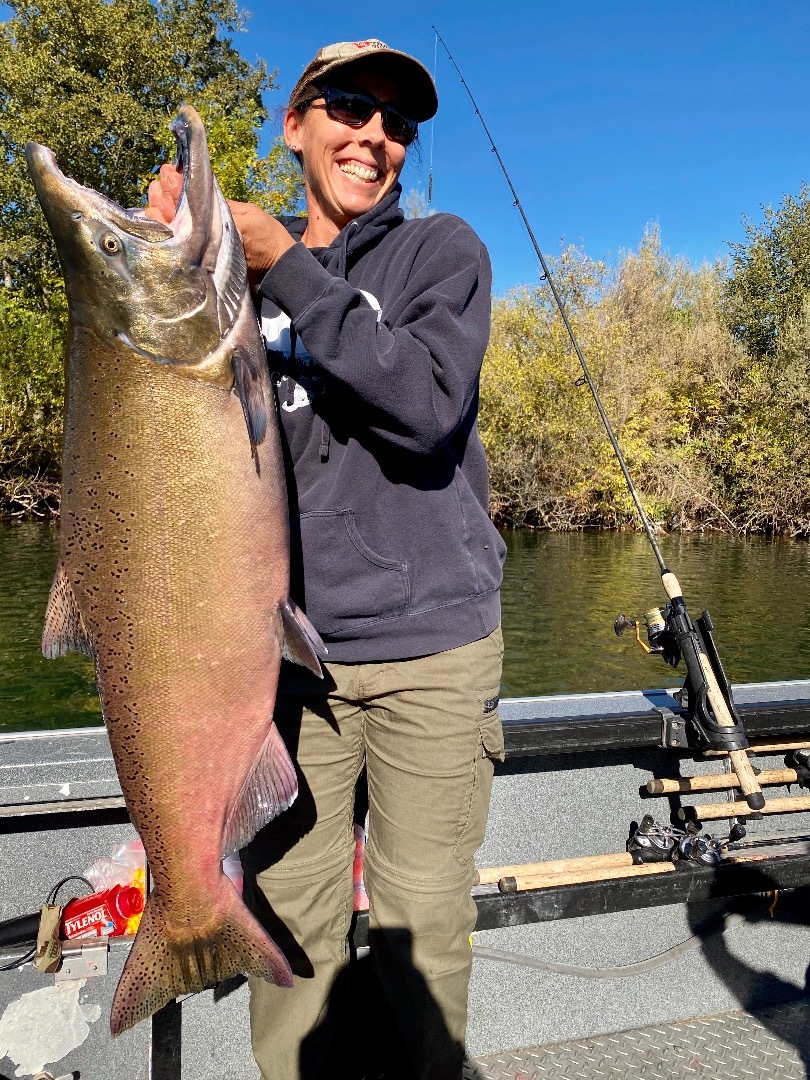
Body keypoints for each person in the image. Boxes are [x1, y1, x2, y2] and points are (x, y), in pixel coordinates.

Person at [150, 37, 506, 1080]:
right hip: (286, 671)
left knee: (419, 936)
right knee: (291, 936)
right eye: (350, 106)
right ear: (296, 124)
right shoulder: (235, 284)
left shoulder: (441, 252)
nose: (375, 137)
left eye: (398, 123)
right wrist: (174, 254)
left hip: (432, 654)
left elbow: (429, 406)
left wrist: (291, 273)